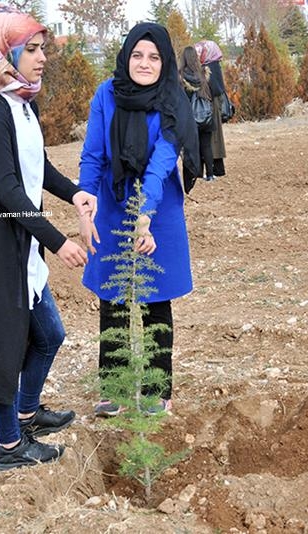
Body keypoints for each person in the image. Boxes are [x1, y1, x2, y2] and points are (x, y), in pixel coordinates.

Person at [0, 3, 96, 471]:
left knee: (49, 334)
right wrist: (58, 241)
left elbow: (38, 167)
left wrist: (74, 193)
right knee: (4, 347)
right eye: (30, 49)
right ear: (2, 53)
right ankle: (10, 446)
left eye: (42, 48)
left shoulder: (22, 104)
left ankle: (28, 413)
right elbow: (8, 189)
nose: (42, 57)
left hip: (16, 238)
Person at [78, 23, 200, 417]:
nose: (144, 63)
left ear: (164, 63)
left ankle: (156, 389)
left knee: (154, 297)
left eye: (153, 57)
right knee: (113, 295)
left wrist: (144, 214)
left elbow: (162, 163)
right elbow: (93, 154)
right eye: (137, 55)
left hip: (158, 208)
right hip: (112, 203)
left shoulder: (172, 99)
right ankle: (113, 385)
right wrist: (85, 205)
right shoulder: (106, 94)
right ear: (126, 56)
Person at [180, 45, 215, 181]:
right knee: (206, 145)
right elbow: (212, 92)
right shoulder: (204, 74)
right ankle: (210, 174)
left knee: (193, 147)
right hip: (206, 116)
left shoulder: (181, 76)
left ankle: (197, 174)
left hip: (190, 118)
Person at [194, 40, 227, 178]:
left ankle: (210, 169)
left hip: (209, 105)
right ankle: (216, 168)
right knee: (214, 138)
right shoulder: (214, 65)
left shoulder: (209, 67)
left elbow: (212, 87)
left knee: (208, 138)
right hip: (213, 104)